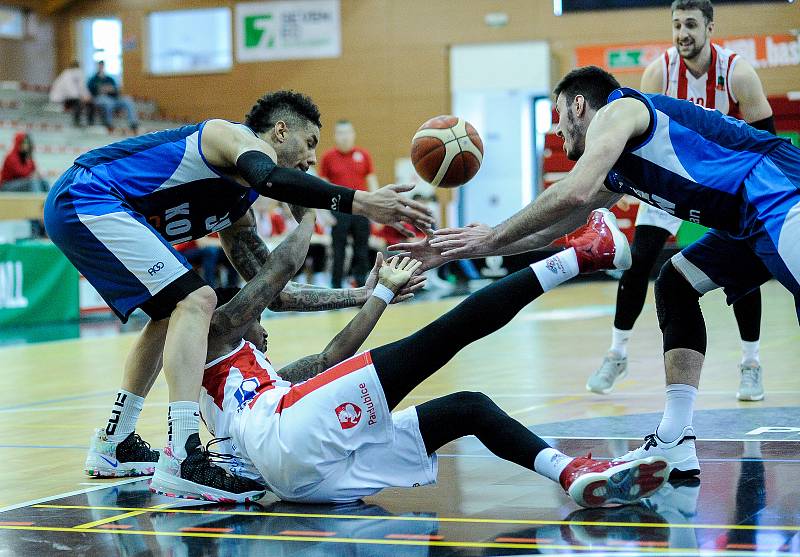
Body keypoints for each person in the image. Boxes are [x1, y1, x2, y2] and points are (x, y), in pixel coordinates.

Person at [395, 65, 800, 478]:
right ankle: (676, 438)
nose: (556, 129)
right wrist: (457, 249)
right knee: (676, 283)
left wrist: (494, 235)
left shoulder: (619, 110)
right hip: (743, 220)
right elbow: (557, 228)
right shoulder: (618, 163)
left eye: (558, 116)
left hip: (777, 188)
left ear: (579, 105)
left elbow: (575, 190)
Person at [45, 89, 434, 502]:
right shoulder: (225, 137)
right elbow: (270, 177)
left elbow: (274, 291)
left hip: (95, 208)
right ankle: (183, 452)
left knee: (169, 315)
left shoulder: (239, 207)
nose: (311, 159)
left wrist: (359, 294)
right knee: (197, 300)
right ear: (280, 131)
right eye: (309, 143)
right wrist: (354, 203)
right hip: (87, 195)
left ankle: (115, 441)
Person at [198, 205, 669, 507]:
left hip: (302, 483)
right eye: (253, 321)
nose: (262, 329)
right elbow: (277, 276)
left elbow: (326, 359)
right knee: (445, 335)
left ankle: (571, 473)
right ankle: (584, 254)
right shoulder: (218, 335)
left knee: (467, 408)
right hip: (287, 439)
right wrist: (307, 208)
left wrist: (373, 294)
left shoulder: (251, 387)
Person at [588, 0, 775, 401]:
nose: (682, 33)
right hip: (669, 180)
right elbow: (636, 135)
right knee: (639, 263)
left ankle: (751, 362)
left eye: (691, 24)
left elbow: (768, 139)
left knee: (740, 271)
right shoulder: (659, 71)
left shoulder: (737, 72)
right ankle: (617, 354)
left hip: (722, 185)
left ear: (710, 28)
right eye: (676, 25)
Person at [319, 120, 379, 288]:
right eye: (340, 133)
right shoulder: (327, 158)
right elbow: (321, 187)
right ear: (335, 136)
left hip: (361, 210)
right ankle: (336, 287)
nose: (344, 137)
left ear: (353, 135)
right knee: (338, 251)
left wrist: (375, 207)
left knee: (362, 250)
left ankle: (361, 286)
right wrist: (324, 213)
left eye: (347, 133)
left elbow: (372, 181)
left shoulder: (363, 155)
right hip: (339, 211)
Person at [87, 60, 139, 133]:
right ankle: (109, 123)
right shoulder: (93, 79)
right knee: (108, 103)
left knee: (128, 100)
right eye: (100, 66)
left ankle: (133, 123)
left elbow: (116, 90)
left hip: (113, 97)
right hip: (99, 98)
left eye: (102, 66)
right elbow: (90, 91)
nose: (101, 68)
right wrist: (101, 89)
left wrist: (111, 89)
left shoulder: (110, 79)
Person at [49, 61, 94, 128]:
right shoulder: (66, 75)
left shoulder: (78, 75)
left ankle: (90, 123)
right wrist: (83, 98)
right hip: (61, 99)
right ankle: (76, 122)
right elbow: (71, 92)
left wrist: (88, 96)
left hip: (72, 98)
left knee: (90, 102)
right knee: (79, 102)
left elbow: (82, 88)